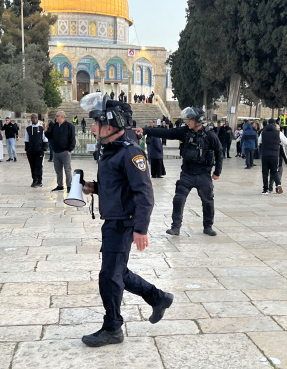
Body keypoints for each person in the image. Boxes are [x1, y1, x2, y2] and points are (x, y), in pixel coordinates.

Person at [79, 92, 173, 347]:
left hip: (124, 223)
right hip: (113, 220)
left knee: (109, 276)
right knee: (118, 272)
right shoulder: (110, 150)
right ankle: (158, 298)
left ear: (111, 126)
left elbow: (144, 194)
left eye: (97, 124)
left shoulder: (132, 154)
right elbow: (115, 186)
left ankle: (113, 328)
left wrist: (140, 229)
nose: (94, 128)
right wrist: (92, 187)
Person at [135, 107, 222, 237]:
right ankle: (175, 227)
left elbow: (219, 152)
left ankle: (208, 226)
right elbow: (166, 133)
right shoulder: (184, 132)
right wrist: (146, 130)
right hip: (187, 174)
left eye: (190, 119)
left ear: (198, 121)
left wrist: (217, 172)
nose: (188, 121)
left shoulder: (210, 135)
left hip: (203, 174)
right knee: (178, 199)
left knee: (208, 201)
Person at [45, 111, 75, 191]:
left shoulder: (69, 126)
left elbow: (72, 138)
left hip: (65, 151)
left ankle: (69, 186)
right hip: (56, 151)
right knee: (58, 170)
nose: (56, 117)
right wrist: (46, 130)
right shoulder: (54, 126)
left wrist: (70, 149)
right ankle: (60, 185)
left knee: (67, 169)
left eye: (57, 116)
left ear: (62, 117)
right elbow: (49, 136)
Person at [259, 119, 283, 194]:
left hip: (265, 155)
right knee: (274, 171)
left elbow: (259, 141)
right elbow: (285, 141)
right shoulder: (278, 133)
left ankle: (265, 189)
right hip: (274, 155)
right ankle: (278, 184)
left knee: (265, 172)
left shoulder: (263, 133)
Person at [24, 114, 48, 188]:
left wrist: (43, 148)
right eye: (33, 118)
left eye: (35, 118)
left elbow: (45, 139)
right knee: (32, 166)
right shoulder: (28, 128)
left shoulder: (41, 128)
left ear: (37, 119)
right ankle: (34, 180)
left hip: (39, 151)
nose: (34, 119)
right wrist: (27, 149)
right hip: (31, 151)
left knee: (39, 166)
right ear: (31, 119)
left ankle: (39, 181)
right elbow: (26, 139)